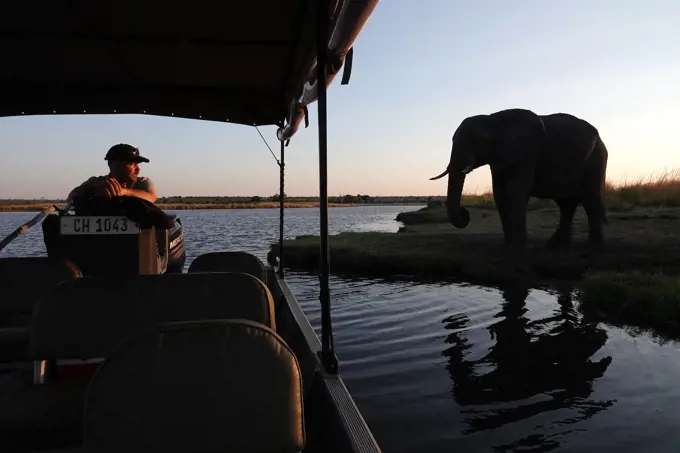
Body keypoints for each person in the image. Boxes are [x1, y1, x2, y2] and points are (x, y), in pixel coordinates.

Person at [67, 144, 157, 204]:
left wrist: (122, 192)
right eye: (131, 164)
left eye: (137, 164)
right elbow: (70, 199)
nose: (138, 169)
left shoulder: (143, 182)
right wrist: (92, 189)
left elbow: (150, 197)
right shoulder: (96, 182)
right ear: (111, 164)